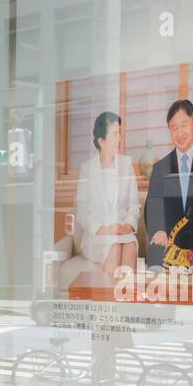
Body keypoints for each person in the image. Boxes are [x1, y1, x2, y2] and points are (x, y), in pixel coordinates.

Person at [144, 99, 193, 270]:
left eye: (184, 125)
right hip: (169, 241)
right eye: (174, 128)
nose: (179, 133)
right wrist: (158, 231)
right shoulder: (160, 167)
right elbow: (152, 205)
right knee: (156, 261)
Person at [76, 111, 140, 275]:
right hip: (97, 235)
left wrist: (127, 226)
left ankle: (126, 297)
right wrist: (105, 229)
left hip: (123, 233)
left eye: (119, 133)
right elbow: (82, 214)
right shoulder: (87, 169)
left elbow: (134, 206)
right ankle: (108, 299)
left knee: (131, 246)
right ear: (101, 141)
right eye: (115, 135)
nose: (119, 139)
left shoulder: (126, 164)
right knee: (115, 247)